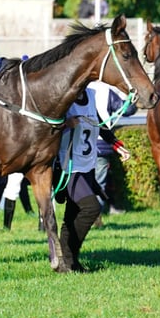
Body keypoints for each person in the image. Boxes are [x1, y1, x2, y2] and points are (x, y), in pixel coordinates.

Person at [56, 86, 130, 272]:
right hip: (69, 167)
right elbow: (48, 126)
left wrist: (116, 145)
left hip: (88, 164)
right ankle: (68, 256)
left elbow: (99, 124)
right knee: (91, 208)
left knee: (72, 215)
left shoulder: (90, 95)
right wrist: (65, 124)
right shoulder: (64, 96)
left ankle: (70, 261)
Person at [88, 80, 137, 216]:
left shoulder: (79, 88)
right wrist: (131, 99)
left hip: (80, 145)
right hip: (101, 144)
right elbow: (127, 110)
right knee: (99, 182)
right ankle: (94, 215)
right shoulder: (105, 90)